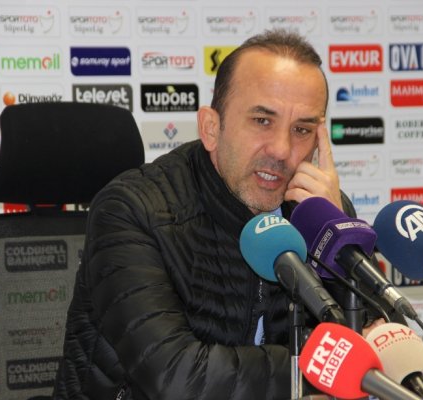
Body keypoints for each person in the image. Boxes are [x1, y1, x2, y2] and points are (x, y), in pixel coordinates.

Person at [54, 29, 398, 400]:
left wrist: (337, 236)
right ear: (211, 128)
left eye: (302, 129)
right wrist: (330, 366)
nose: (282, 150)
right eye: (262, 120)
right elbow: (176, 377)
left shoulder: (319, 211)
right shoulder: (133, 209)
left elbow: (385, 341)